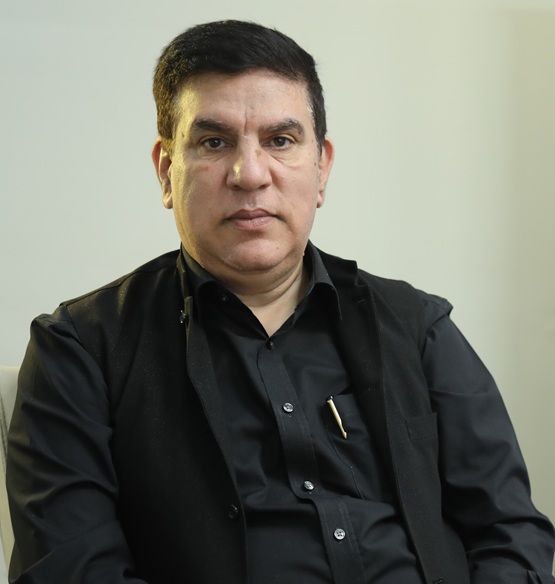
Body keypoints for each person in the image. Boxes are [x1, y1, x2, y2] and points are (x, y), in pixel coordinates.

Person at [6, 19, 555, 584]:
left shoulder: (418, 327)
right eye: (214, 142)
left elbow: (511, 533)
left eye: (280, 141)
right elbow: (70, 571)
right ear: (167, 171)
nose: (250, 175)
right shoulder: (79, 349)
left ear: (322, 168)